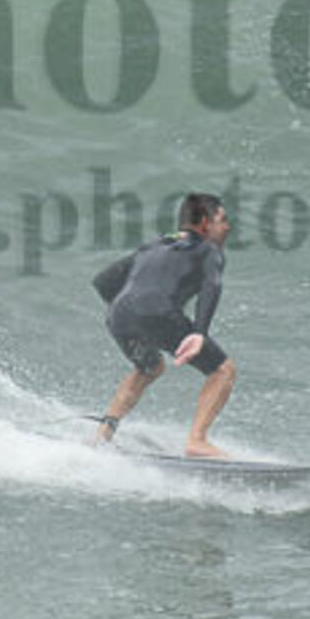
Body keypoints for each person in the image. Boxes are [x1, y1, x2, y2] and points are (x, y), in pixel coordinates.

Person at [89, 193, 236, 459]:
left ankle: (103, 434)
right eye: (222, 220)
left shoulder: (153, 246)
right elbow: (211, 286)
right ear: (205, 223)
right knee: (223, 371)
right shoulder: (209, 250)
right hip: (158, 312)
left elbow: (103, 282)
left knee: (149, 367)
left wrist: (129, 310)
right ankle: (197, 441)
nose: (228, 227)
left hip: (118, 315)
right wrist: (199, 333)